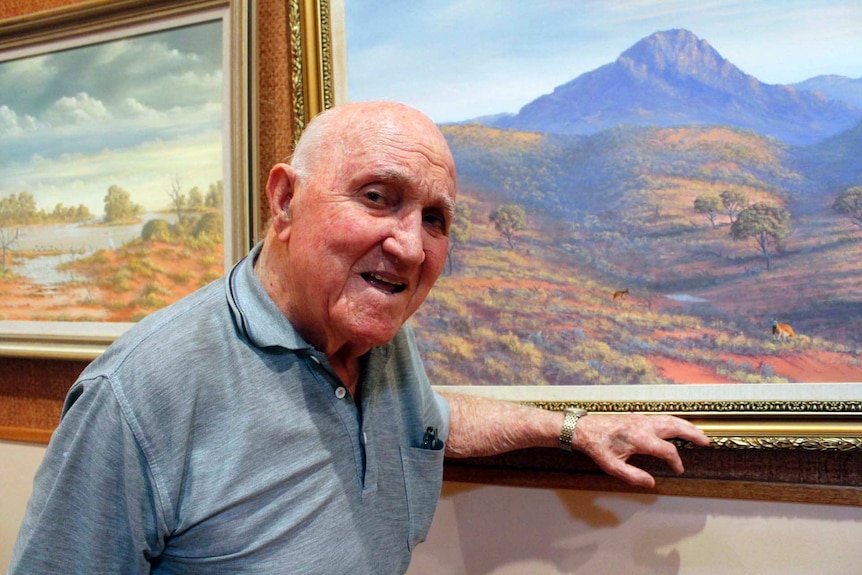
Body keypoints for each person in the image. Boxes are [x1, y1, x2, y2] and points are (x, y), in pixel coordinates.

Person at [9, 101, 710, 574]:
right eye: (378, 197)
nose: (409, 244)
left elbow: (431, 418)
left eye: (435, 218)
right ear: (285, 200)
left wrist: (574, 428)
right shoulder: (138, 396)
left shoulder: (374, 339)